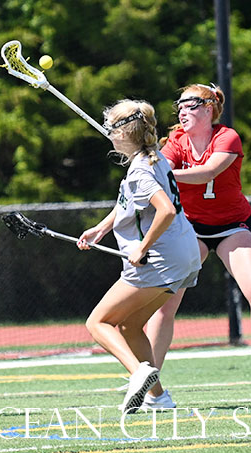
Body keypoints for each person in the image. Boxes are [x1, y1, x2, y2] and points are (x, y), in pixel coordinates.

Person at [142, 83, 251, 393]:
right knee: (164, 304)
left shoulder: (227, 137)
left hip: (231, 225)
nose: (182, 112)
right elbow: (160, 169)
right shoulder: (176, 141)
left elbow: (207, 173)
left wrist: (163, 173)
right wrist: (148, 166)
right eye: (179, 106)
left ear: (208, 109)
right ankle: (147, 380)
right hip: (189, 228)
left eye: (189, 105)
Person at [77, 99, 201, 413]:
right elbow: (130, 202)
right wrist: (102, 228)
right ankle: (158, 397)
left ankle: (138, 373)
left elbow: (166, 210)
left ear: (123, 133)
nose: (108, 133)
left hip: (160, 259)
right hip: (185, 255)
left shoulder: (140, 171)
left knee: (98, 322)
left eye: (111, 128)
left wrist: (142, 247)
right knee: (130, 326)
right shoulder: (154, 157)